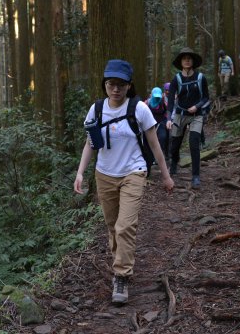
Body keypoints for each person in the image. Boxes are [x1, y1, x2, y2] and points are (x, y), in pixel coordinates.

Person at [73, 59, 174, 305]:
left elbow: (154, 143)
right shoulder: (96, 109)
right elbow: (90, 143)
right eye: (111, 84)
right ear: (105, 85)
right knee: (112, 226)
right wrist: (79, 172)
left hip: (134, 172)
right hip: (104, 174)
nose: (115, 89)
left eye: (120, 84)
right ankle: (122, 263)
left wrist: (165, 174)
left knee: (125, 226)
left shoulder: (139, 109)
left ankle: (121, 276)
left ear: (129, 86)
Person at [165, 47, 209, 189]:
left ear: (193, 61)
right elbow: (171, 100)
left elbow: (206, 97)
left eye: (189, 58)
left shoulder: (201, 78)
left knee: (194, 143)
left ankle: (196, 176)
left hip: (196, 115)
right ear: (181, 62)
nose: (187, 60)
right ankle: (174, 162)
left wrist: (197, 106)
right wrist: (168, 118)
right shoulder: (176, 79)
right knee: (175, 144)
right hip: (180, 114)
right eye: (184, 58)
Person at [144, 86, 169, 164]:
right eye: (155, 97)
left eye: (158, 97)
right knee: (149, 141)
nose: (157, 98)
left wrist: (168, 120)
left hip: (161, 122)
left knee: (162, 138)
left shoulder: (163, 103)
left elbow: (167, 112)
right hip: (150, 124)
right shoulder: (147, 103)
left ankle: (159, 157)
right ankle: (150, 158)